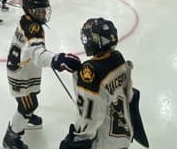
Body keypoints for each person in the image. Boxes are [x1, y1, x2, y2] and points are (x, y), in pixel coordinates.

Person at [3, 0, 81, 149]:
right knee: (28, 104)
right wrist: (56, 60)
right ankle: (11, 137)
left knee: (32, 95)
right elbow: (36, 52)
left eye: (45, 10)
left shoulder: (26, 20)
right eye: (39, 11)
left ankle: (27, 117)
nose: (44, 14)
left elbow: (33, 50)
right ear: (29, 10)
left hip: (24, 67)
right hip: (20, 72)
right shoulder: (34, 28)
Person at [59, 17, 148, 149]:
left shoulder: (90, 71)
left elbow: (90, 117)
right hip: (124, 134)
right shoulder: (118, 58)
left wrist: (78, 140)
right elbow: (129, 96)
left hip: (105, 142)